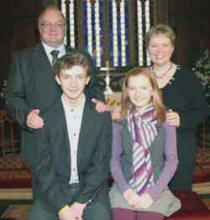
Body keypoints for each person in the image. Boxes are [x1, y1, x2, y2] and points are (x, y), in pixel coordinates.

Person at [5, 4, 105, 166]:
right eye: (47, 24)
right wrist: (26, 115)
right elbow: (12, 97)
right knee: (45, 191)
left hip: (80, 140)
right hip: (40, 141)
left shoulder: (81, 56)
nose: (53, 29)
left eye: (58, 24)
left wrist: (96, 101)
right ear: (39, 28)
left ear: (65, 28)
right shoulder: (22, 60)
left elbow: (95, 87)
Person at [30, 52, 112, 220]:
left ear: (87, 79)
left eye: (79, 77)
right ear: (58, 79)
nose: (73, 84)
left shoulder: (101, 116)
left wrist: (80, 204)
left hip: (91, 190)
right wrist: (62, 209)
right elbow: (43, 169)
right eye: (67, 77)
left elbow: (101, 164)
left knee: (101, 217)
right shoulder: (44, 119)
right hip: (55, 190)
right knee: (36, 217)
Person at [109, 67, 181, 220]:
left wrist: (152, 194)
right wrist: (126, 191)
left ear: (153, 90)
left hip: (155, 187)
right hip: (125, 186)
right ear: (126, 91)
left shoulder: (166, 120)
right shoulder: (119, 120)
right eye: (132, 88)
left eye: (143, 87)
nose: (138, 93)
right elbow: (113, 159)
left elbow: (172, 161)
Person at [146, 24, 209, 190]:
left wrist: (182, 119)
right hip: (146, 151)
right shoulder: (140, 77)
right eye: (154, 45)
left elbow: (203, 110)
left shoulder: (187, 78)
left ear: (172, 48)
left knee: (179, 201)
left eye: (164, 45)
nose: (159, 50)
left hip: (180, 148)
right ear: (148, 48)